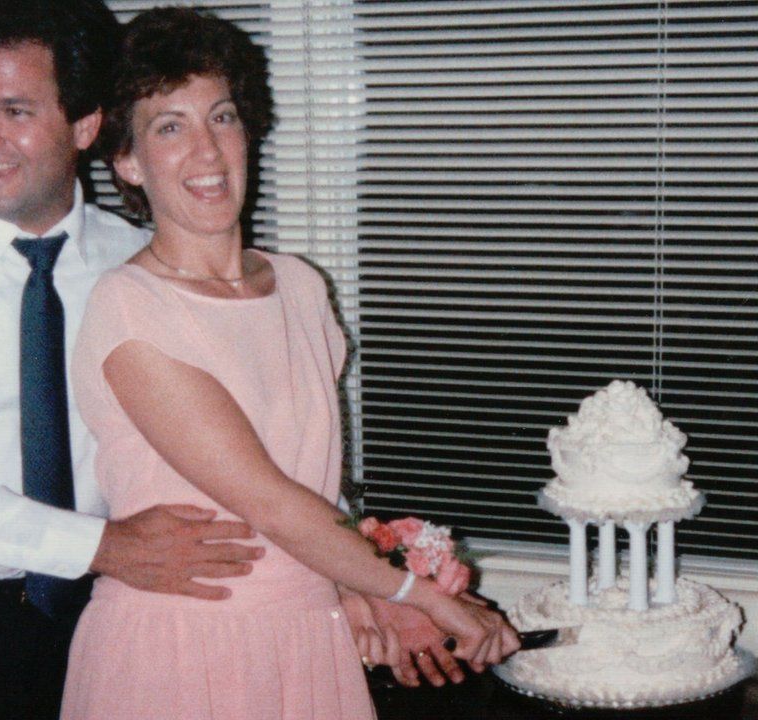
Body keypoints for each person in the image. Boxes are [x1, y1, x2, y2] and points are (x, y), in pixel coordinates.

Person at [61, 7, 521, 718]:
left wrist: (361, 584)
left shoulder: (301, 287)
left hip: (307, 637)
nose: (207, 152)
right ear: (126, 160)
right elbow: (269, 500)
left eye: (221, 117)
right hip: (183, 647)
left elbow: (317, 487)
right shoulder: (130, 307)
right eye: (169, 126)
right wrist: (419, 594)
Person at [0, 1, 264, 718]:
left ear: (85, 125)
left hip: (100, 619)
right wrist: (101, 546)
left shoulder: (136, 262)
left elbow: (232, 434)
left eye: (15, 111)